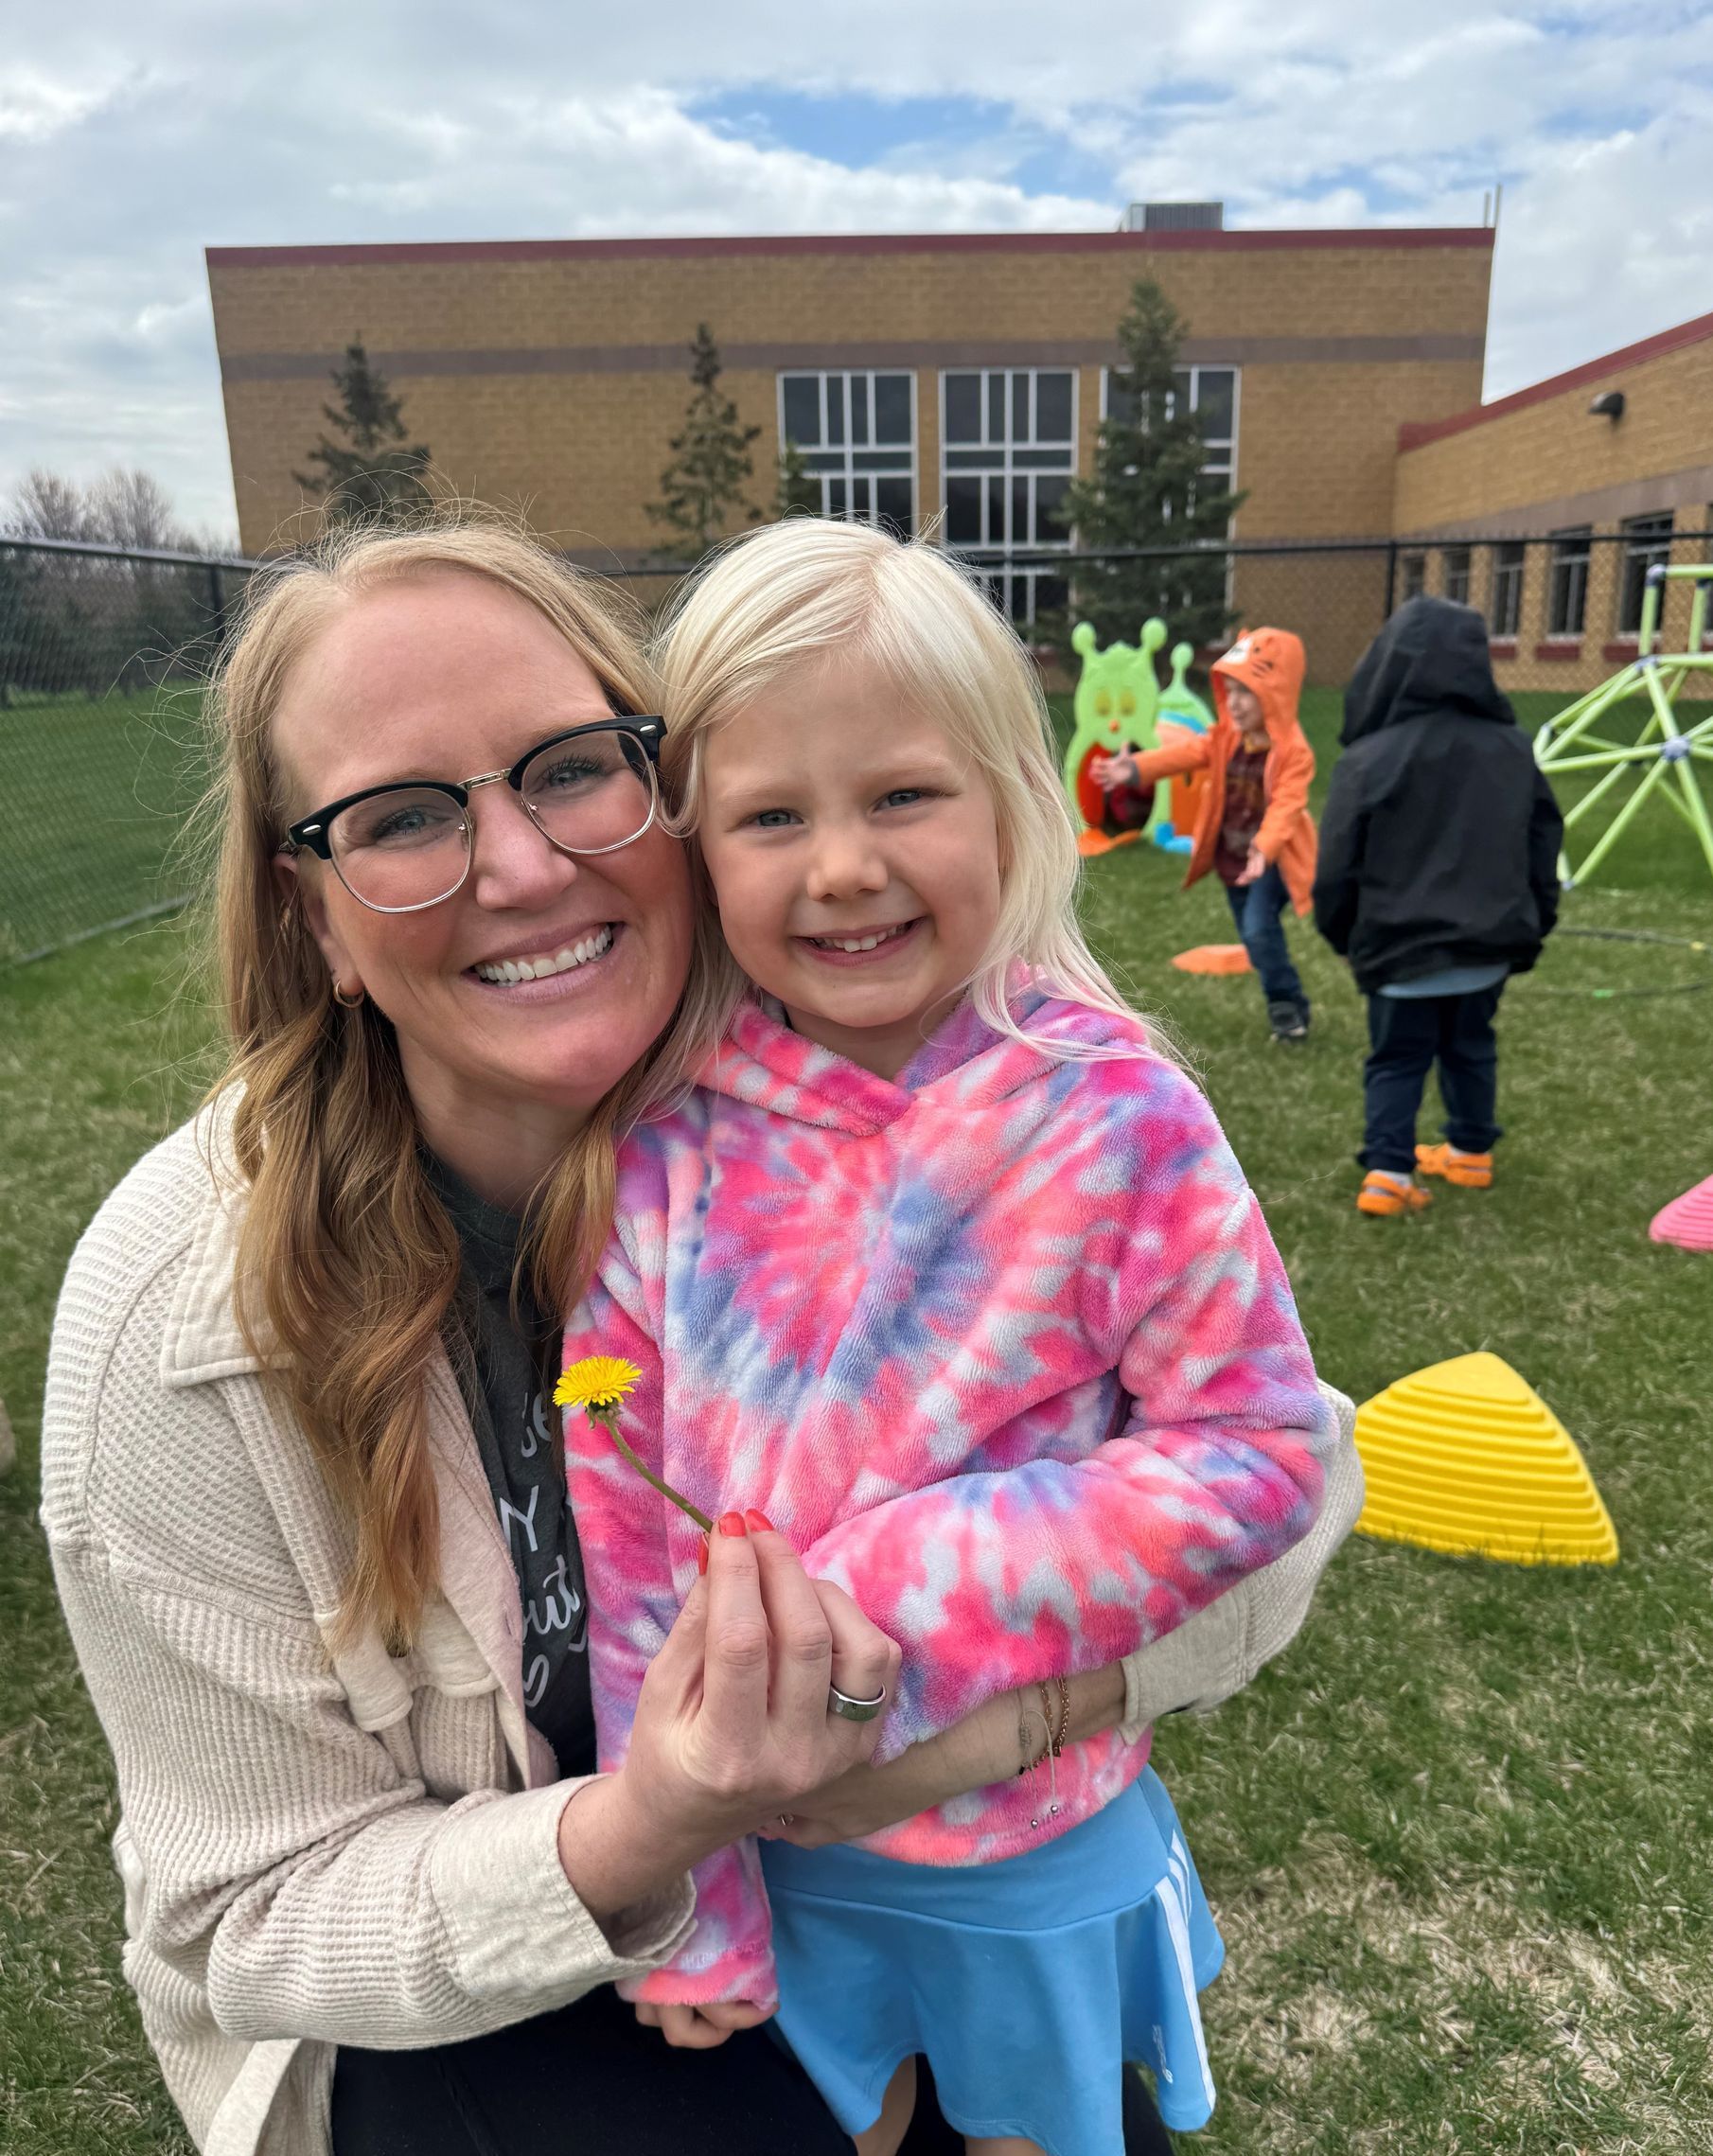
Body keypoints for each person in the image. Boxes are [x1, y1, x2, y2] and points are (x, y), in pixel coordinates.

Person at [39, 518, 1358, 2156]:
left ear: (659, 798)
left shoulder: (908, 1079)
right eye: (400, 818)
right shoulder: (176, 1325)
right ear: (312, 915)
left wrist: (990, 1697)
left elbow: (1282, 1472)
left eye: (568, 770)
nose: (519, 868)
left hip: (921, 1854)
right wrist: (656, 1839)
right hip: (496, 1970)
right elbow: (249, 1914)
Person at [559, 521, 1350, 2156]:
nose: (841, 864)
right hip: (778, 1856)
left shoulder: (1121, 1114)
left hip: (1029, 1842)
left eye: (901, 795)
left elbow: (1262, 1453)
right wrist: (687, 1882)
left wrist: (917, 1578)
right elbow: (631, 1537)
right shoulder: (665, 1150)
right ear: (698, 856)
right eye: (773, 816)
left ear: (1015, 798)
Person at [1312, 596, 1563, 1218]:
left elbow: (1337, 863)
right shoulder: (1511, 749)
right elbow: (1543, 843)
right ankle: (1471, 1150)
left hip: (1401, 956)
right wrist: (1532, 924)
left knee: (1397, 1058)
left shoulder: (1368, 761)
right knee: (1471, 1045)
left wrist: (1345, 936)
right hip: (1485, 949)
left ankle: (1389, 1172)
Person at [1096, 627, 1317, 1043]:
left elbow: (1288, 804)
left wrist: (1265, 848)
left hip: (1269, 861)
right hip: (1231, 860)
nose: (1234, 701)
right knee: (1255, 938)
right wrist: (1136, 768)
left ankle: (1285, 1008)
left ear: (1276, 693)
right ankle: (1292, 1002)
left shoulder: (1293, 753)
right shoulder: (1225, 739)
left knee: (1257, 930)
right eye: (1229, 689)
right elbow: (1186, 753)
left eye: (1246, 692)